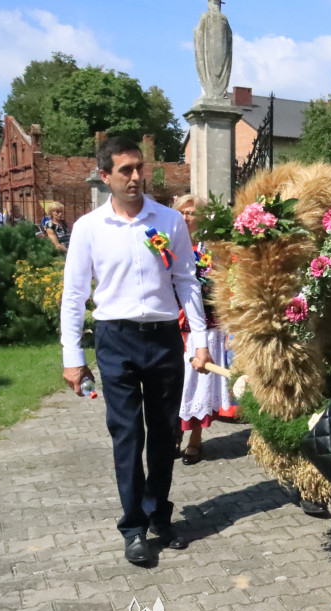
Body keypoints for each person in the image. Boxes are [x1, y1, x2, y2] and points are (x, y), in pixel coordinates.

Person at [60, 137, 211, 566]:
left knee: (165, 433)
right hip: (115, 339)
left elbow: (186, 279)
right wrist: (72, 355)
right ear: (105, 176)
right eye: (124, 170)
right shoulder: (90, 228)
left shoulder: (168, 221)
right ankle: (133, 527)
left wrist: (198, 338)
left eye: (138, 168)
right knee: (128, 434)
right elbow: (74, 296)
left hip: (163, 337)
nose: (135, 177)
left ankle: (159, 514)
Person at [173, 194, 229, 466]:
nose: (187, 217)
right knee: (171, 382)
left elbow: (223, 283)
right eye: (182, 212)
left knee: (196, 379)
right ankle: (173, 434)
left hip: (203, 322)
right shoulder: (164, 243)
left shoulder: (211, 248)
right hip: (170, 321)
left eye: (192, 212)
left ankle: (194, 440)